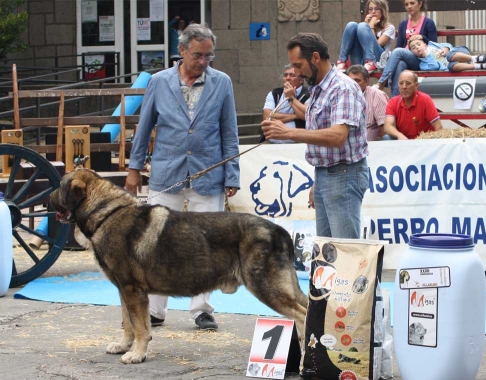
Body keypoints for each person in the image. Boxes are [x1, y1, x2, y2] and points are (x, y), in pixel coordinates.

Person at [125, 24, 240, 330]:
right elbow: (145, 126)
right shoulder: (159, 82)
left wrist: (232, 174)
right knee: (157, 241)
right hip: (166, 173)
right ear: (183, 51)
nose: (204, 61)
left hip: (210, 173)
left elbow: (230, 132)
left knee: (207, 244)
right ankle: (156, 310)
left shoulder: (222, 83)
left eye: (209, 56)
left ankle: (202, 308)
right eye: (198, 55)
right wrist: (134, 168)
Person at [261, 33, 369, 239]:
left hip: (343, 175)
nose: (296, 72)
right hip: (327, 174)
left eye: (298, 65)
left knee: (344, 249)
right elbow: (315, 124)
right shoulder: (319, 88)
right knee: (327, 250)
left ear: (316, 57)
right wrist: (317, 181)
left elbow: (338, 136)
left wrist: (289, 132)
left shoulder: (342, 87)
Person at [376, 0, 437, 96]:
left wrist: (422, 38)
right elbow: (399, 45)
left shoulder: (428, 23)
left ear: (420, 4)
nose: (409, 6)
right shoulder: (403, 24)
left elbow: (434, 46)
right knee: (400, 63)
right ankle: (395, 99)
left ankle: (382, 82)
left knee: (397, 52)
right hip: (405, 58)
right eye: (407, 4)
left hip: (420, 60)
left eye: (412, 3)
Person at [335, 0, 396, 74]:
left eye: (376, 9)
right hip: (360, 59)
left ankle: (370, 61)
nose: (373, 12)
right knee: (352, 25)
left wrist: (370, 26)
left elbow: (377, 44)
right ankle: (342, 61)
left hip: (377, 59)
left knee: (362, 26)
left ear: (383, 11)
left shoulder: (389, 28)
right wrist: (366, 25)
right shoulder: (364, 26)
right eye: (370, 9)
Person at [383, 70, 442, 140]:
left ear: (416, 85)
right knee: (387, 137)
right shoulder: (393, 102)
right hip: (404, 140)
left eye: (408, 83)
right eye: (401, 83)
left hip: (424, 141)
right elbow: (387, 126)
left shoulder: (425, 100)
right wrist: (399, 135)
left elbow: (438, 126)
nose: (404, 87)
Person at [262, 64, 310, 143]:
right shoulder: (275, 94)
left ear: (301, 80)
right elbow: (267, 116)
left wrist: (291, 98)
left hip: (298, 144)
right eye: (285, 75)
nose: (288, 78)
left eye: (292, 75)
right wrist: (296, 116)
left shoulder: (308, 94)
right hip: (272, 143)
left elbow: (306, 115)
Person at [346, 64, 388, 141]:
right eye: (350, 81)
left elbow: (385, 128)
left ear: (367, 81)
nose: (353, 84)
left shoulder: (376, 95)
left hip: (371, 147)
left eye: (357, 81)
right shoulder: (343, 96)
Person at [407, 35, 486, 72]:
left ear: (425, 45)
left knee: (449, 55)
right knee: (450, 66)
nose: (417, 47)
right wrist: (427, 56)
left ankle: (474, 58)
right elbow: (434, 67)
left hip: (460, 53)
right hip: (457, 65)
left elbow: (449, 45)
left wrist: (446, 48)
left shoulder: (431, 45)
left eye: (419, 44)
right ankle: (479, 65)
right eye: (413, 48)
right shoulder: (423, 65)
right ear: (412, 53)